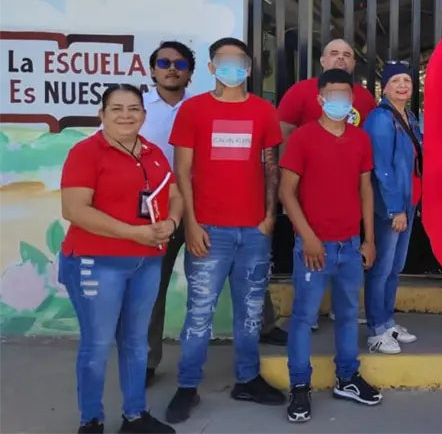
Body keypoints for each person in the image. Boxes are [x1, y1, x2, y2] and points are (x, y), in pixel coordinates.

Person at [164, 37, 286, 424]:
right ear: (212, 67)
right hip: (209, 230)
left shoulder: (263, 111)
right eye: (224, 61)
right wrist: (191, 223)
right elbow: (182, 171)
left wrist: (269, 216)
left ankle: (247, 379)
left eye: (240, 62)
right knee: (199, 313)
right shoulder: (193, 110)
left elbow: (271, 167)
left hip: (254, 231)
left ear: (248, 69)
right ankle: (187, 386)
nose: (232, 68)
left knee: (250, 313)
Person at [60, 84, 182, 434]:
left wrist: (172, 222)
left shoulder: (153, 153)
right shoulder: (86, 152)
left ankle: (135, 415)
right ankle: (91, 420)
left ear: (144, 114)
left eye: (133, 109)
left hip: (146, 262)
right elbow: (74, 209)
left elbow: (174, 195)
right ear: (102, 115)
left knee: (136, 342)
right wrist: (132, 233)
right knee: (97, 345)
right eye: (116, 109)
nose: (126, 115)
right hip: (97, 262)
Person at [280, 68, 381, 422]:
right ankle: (299, 386)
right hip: (313, 247)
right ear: (320, 98)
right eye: (333, 94)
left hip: (350, 246)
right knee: (304, 318)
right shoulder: (303, 138)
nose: (339, 100)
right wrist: (307, 237)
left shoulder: (360, 139)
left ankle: (347, 378)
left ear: (352, 99)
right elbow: (286, 192)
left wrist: (369, 240)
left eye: (345, 95)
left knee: (349, 315)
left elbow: (365, 190)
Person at [277, 38, 377, 334]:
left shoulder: (364, 98)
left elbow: (366, 144)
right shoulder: (301, 92)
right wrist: (286, 181)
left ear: (354, 63)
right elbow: (283, 132)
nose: (340, 58)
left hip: (347, 194)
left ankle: (338, 310)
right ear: (322, 60)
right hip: (307, 193)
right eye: (334, 53)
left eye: (347, 54)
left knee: (344, 269)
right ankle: (307, 314)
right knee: (309, 255)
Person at [142, 42, 196, 387]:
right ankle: (147, 361)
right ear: (153, 70)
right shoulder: (137, 108)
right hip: (155, 209)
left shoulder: (202, 107)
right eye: (164, 63)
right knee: (152, 286)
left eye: (179, 63)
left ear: (190, 72)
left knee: (235, 266)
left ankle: (264, 325)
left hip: (201, 204)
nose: (172, 68)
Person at [364, 61, 423, 354]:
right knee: (382, 268)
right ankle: (376, 330)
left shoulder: (410, 117)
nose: (402, 85)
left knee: (395, 268)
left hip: (408, 202)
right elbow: (382, 168)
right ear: (384, 88)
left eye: (407, 81)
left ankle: (388, 322)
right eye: (396, 81)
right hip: (391, 207)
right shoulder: (380, 119)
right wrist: (395, 209)